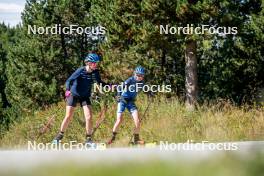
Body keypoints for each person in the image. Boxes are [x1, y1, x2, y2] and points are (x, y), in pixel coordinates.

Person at [53, 53, 108, 145]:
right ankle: (59, 137)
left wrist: (110, 86)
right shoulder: (81, 70)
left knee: (89, 117)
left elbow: (100, 82)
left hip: (85, 96)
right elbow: (69, 80)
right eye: (94, 63)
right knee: (68, 116)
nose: (96, 65)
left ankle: (88, 140)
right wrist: (67, 90)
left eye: (97, 63)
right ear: (89, 63)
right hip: (73, 95)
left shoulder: (95, 72)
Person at [107, 66, 152, 145]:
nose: (139, 77)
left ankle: (136, 140)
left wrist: (150, 94)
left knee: (137, 121)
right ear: (135, 74)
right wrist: (118, 95)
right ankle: (112, 138)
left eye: (141, 76)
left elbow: (146, 90)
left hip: (131, 102)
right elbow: (120, 87)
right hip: (123, 100)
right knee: (119, 119)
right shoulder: (130, 80)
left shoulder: (142, 83)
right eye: (138, 75)